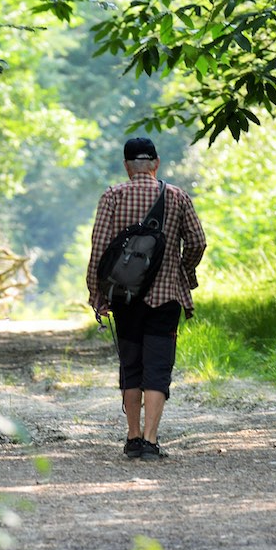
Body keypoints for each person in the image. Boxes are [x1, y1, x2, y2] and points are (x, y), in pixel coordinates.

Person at [87, 136, 207, 460]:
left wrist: (96, 293)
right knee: (158, 367)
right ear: (156, 164)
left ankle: (133, 437)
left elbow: (99, 250)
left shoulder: (113, 196)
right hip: (166, 296)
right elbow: (197, 242)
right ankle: (151, 441)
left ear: (127, 167)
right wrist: (183, 271)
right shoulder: (177, 197)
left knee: (131, 365)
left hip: (125, 297)